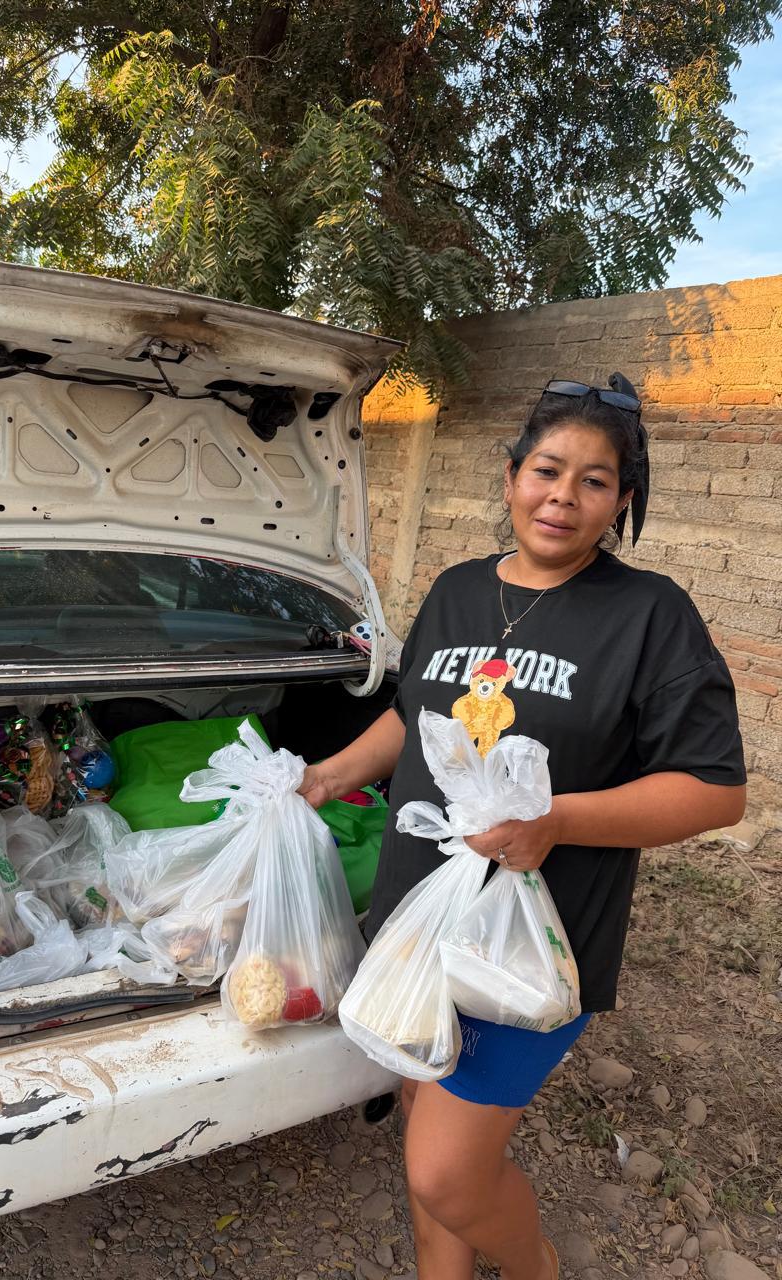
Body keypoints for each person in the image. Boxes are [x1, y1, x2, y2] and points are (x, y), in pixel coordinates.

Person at [299, 376, 746, 1280]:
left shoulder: (649, 615)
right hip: (419, 920)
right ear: (511, 478)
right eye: (547, 470)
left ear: (621, 501)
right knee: (424, 1131)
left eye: (594, 481)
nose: (563, 496)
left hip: (530, 943)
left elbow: (714, 790)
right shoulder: (458, 590)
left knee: (447, 1173)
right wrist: (331, 775)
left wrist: (558, 819)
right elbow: (416, 714)